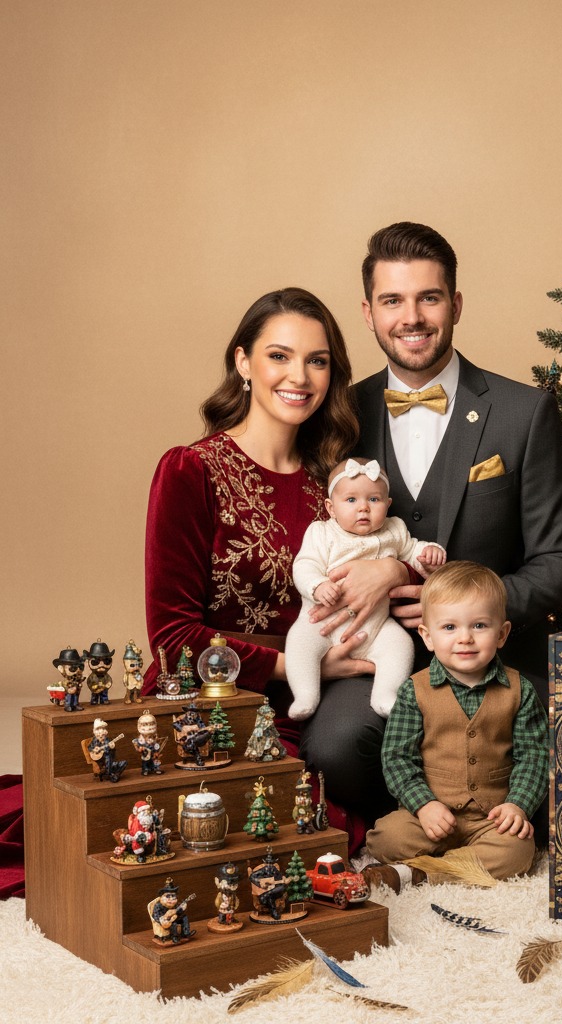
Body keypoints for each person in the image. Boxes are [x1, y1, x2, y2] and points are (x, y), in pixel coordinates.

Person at [300, 223, 562, 829]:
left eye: (429, 298)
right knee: (331, 749)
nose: (412, 317)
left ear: (454, 304)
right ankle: (421, 825)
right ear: (368, 312)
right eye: (392, 301)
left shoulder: (523, 412)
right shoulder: (338, 416)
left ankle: (489, 825)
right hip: (383, 660)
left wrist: (464, 609)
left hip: (491, 658)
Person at [142, 287, 376, 843]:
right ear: (243, 362)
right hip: (211, 696)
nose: (299, 376)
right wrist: (303, 667)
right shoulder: (190, 470)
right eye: (279, 356)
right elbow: (173, 638)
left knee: (317, 823)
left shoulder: (340, 485)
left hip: (318, 702)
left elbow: (392, 558)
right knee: (244, 832)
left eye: (317, 361)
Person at [364, 562, 546, 885]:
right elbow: (397, 758)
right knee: (384, 837)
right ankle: (454, 864)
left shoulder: (519, 690)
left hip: (490, 818)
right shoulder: (414, 691)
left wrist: (518, 805)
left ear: (501, 634)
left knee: (518, 850)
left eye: (479, 626)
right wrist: (424, 805)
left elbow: (534, 757)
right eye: (449, 628)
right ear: (427, 636)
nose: (465, 639)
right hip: (431, 817)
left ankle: (423, 873)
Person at [285, 456, 445, 721]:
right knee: (299, 643)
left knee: (400, 644)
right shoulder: (321, 533)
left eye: (374, 500)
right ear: (331, 507)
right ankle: (305, 695)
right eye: (351, 500)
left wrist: (430, 553)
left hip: (376, 626)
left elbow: (413, 550)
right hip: (322, 624)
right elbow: (304, 565)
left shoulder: (394, 529)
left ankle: (385, 694)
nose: (364, 509)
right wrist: (318, 585)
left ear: (388, 504)